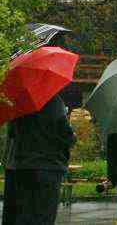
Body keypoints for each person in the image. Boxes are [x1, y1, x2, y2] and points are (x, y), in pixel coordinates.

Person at [2, 91, 76, 225]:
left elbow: (12, 133)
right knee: (42, 217)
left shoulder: (17, 102)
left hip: (20, 167)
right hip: (48, 167)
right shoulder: (52, 100)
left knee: (21, 217)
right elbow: (67, 135)